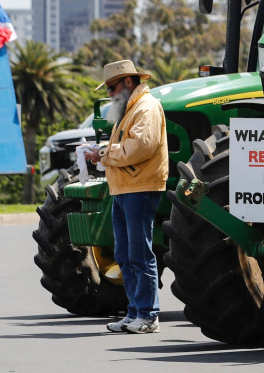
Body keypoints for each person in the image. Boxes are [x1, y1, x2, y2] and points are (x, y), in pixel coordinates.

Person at [83, 60, 168, 334]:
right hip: (125, 188)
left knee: (139, 254)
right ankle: (134, 313)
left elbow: (141, 147)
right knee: (125, 254)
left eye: (111, 87)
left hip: (140, 188)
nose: (109, 93)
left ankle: (148, 315)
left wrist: (104, 155)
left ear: (128, 82)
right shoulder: (131, 108)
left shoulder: (146, 107)